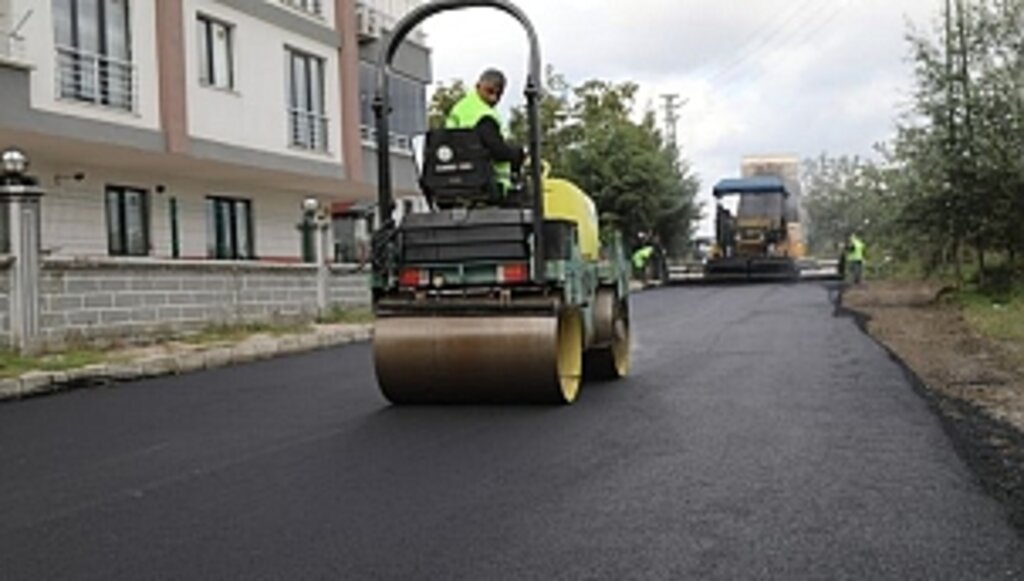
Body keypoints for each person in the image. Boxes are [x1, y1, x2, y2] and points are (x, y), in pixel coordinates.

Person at [446, 69, 526, 193]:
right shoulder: (483, 115)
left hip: (455, 179)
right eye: (489, 91)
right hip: (485, 183)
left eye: (499, 94)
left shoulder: (460, 108)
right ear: (478, 86)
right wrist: (518, 154)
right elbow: (498, 152)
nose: (493, 98)